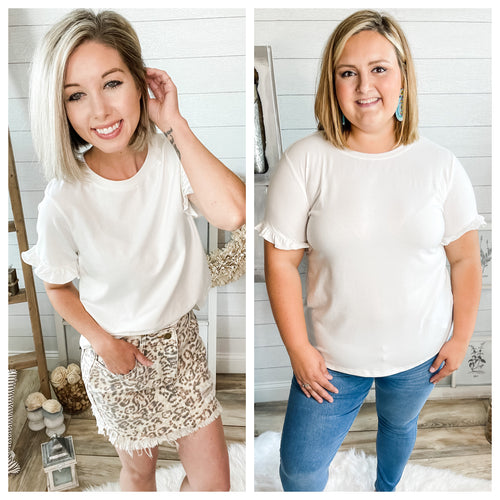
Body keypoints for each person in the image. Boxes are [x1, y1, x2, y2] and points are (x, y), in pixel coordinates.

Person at [256, 10, 484, 492]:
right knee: (298, 469)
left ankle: (385, 488)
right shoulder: (304, 163)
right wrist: (299, 350)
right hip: (331, 362)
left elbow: (465, 259)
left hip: (421, 355)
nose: (365, 86)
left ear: (403, 76)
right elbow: (280, 261)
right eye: (348, 72)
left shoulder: (440, 166)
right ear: (332, 84)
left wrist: (460, 338)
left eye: (379, 68)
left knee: (398, 428)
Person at [23, 9, 245, 492]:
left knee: (214, 480)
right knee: (138, 473)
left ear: (140, 82)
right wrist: (105, 345)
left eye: (111, 83)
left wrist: (176, 125)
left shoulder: (169, 157)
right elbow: (57, 286)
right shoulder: (63, 198)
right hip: (116, 357)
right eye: (76, 95)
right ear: (59, 110)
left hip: (182, 346)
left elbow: (233, 214)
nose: (99, 110)